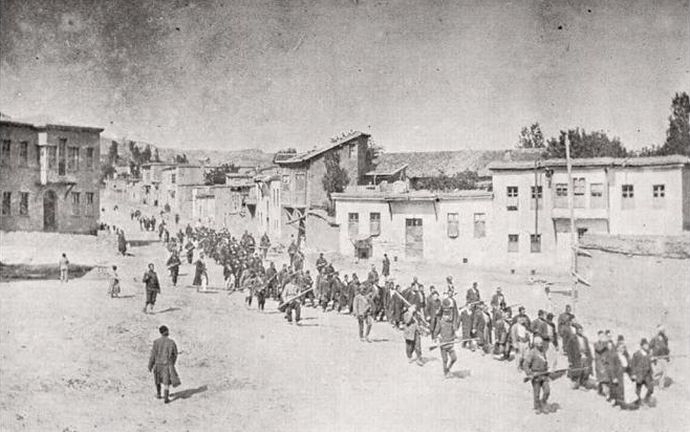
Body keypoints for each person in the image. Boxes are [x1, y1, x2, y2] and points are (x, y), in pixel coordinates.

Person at [148, 325, 180, 404]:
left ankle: (159, 394)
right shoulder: (171, 342)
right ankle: (166, 397)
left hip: (158, 364)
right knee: (166, 382)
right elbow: (175, 354)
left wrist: (150, 365)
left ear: (160, 332)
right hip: (167, 365)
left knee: (157, 380)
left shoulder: (156, 342)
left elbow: (153, 355)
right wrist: (172, 363)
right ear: (167, 331)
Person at [524, 336, 551, 414]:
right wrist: (530, 373)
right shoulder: (532, 352)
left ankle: (543, 402)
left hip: (544, 375)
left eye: (542, 343)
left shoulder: (543, 352)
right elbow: (525, 365)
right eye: (540, 343)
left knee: (547, 391)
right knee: (537, 393)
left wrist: (548, 369)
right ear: (535, 344)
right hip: (536, 376)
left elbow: (545, 362)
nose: (541, 345)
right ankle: (537, 407)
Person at [432, 299, 459, 377]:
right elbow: (436, 332)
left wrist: (456, 337)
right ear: (443, 315)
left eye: (448, 315)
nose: (447, 316)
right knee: (445, 360)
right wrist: (436, 338)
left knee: (454, 358)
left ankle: (448, 368)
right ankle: (445, 372)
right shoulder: (440, 322)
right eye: (445, 315)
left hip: (450, 344)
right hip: (443, 344)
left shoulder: (451, 323)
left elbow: (454, 332)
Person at [564, 323, 592, 390]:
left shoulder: (585, 339)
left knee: (585, 371)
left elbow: (588, 348)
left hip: (584, 357)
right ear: (576, 330)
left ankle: (583, 383)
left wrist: (590, 357)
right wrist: (570, 360)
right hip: (576, 358)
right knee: (577, 371)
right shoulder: (573, 338)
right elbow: (569, 349)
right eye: (579, 330)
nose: (580, 331)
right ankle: (575, 383)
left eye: (581, 330)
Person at [631, 338, 655, 406]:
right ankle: (638, 402)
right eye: (645, 345)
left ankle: (646, 400)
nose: (647, 346)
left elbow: (650, 365)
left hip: (647, 375)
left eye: (647, 345)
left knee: (651, 388)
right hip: (639, 375)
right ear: (642, 346)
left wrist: (652, 373)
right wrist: (633, 374)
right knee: (638, 390)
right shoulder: (636, 354)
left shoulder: (648, 355)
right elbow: (633, 365)